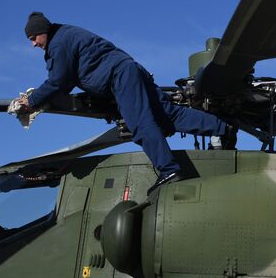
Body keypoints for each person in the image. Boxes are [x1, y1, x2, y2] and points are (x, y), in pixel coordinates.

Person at [18, 12, 237, 194]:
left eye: (33, 38)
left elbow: (59, 81)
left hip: (120, 77)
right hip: (131, 69)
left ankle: (169, 170)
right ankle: (223, 128)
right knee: (167, 113)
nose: (33, 44)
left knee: (140, 124)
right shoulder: (67, 34)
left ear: (42, 31)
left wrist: (33, 100)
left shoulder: (58, 43)